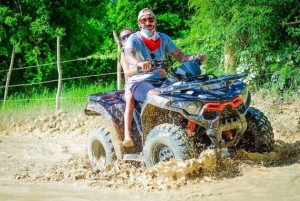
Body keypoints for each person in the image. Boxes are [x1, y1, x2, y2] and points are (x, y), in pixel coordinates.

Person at [124, 8, 207, 103]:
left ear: (155, 21)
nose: (148, 23)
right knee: (158, 98)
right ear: (139, 23)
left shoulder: (163, 38)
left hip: (162, 80)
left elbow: (181, 57)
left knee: (187, 91)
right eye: (143, 20)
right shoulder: (134, 38)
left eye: (151, 19)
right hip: (140, 82)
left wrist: (196, 58)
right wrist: (139, 63)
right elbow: (128, 55)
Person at [119, 28, 135, 147]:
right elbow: (126, 72)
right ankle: (127, 135)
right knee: (130, 100)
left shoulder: (140, 48)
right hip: (131, 82)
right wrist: (141, 68)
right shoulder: (124, 53)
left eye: (128, 36)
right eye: (123, 38)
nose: (126, 39)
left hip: (148, 79)